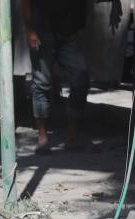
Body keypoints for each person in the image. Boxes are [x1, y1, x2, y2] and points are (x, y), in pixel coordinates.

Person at [22, 0, 90, 153]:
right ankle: (42, 136)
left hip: (68, 33)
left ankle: (73, 137)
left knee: (80, 77)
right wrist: (30, 31)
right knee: (42, 83)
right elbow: (25, 3)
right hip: (42, 31)